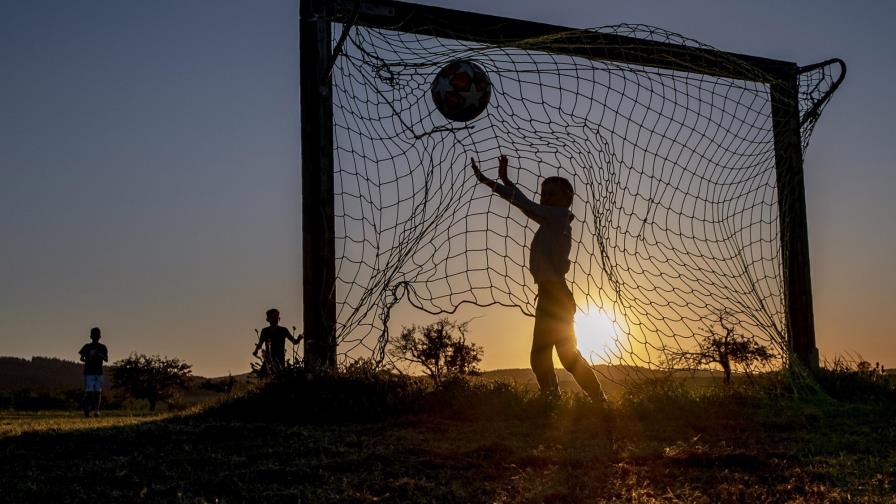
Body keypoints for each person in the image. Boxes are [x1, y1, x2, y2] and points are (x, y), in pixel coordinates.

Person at [472, 155, 608, 403]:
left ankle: (559, 400)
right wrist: (504, 181)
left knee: (544, 356)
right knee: (562, 355)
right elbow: (525, 205)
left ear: (567, 198)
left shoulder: (557, 217)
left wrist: (492, 182)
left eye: (552, 195)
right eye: (544, 195)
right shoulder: (552, 220)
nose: (545, 200)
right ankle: (589, 400)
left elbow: (525, 204)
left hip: (554, 294)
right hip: (553, 294)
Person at [253, 308, 302, 375]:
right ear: (268, 319)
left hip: (279, 360)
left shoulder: (283, 330)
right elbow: (260, 344)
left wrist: (299, 338)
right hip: (268, 360)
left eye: (276, 316)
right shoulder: (265, 331)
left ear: (278, 318)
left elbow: (295, 342)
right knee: (264, 377)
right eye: (272, 317)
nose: (274, 319)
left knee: (277, 378)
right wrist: (256, 350)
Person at [78, 327, 108, 417]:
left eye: (97, 334)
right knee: (89, 393)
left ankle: (96, 411)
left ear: (100, 336)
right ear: (91, 336)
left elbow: (106, 359)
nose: (95, 336)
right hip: (89, 372)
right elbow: (81, 358)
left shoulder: (102, 347)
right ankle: (87, 410)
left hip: (98, 372)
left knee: (98, 392)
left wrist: (98, 354)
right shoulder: (87, 347)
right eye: (94, 334)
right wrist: (88, 358)